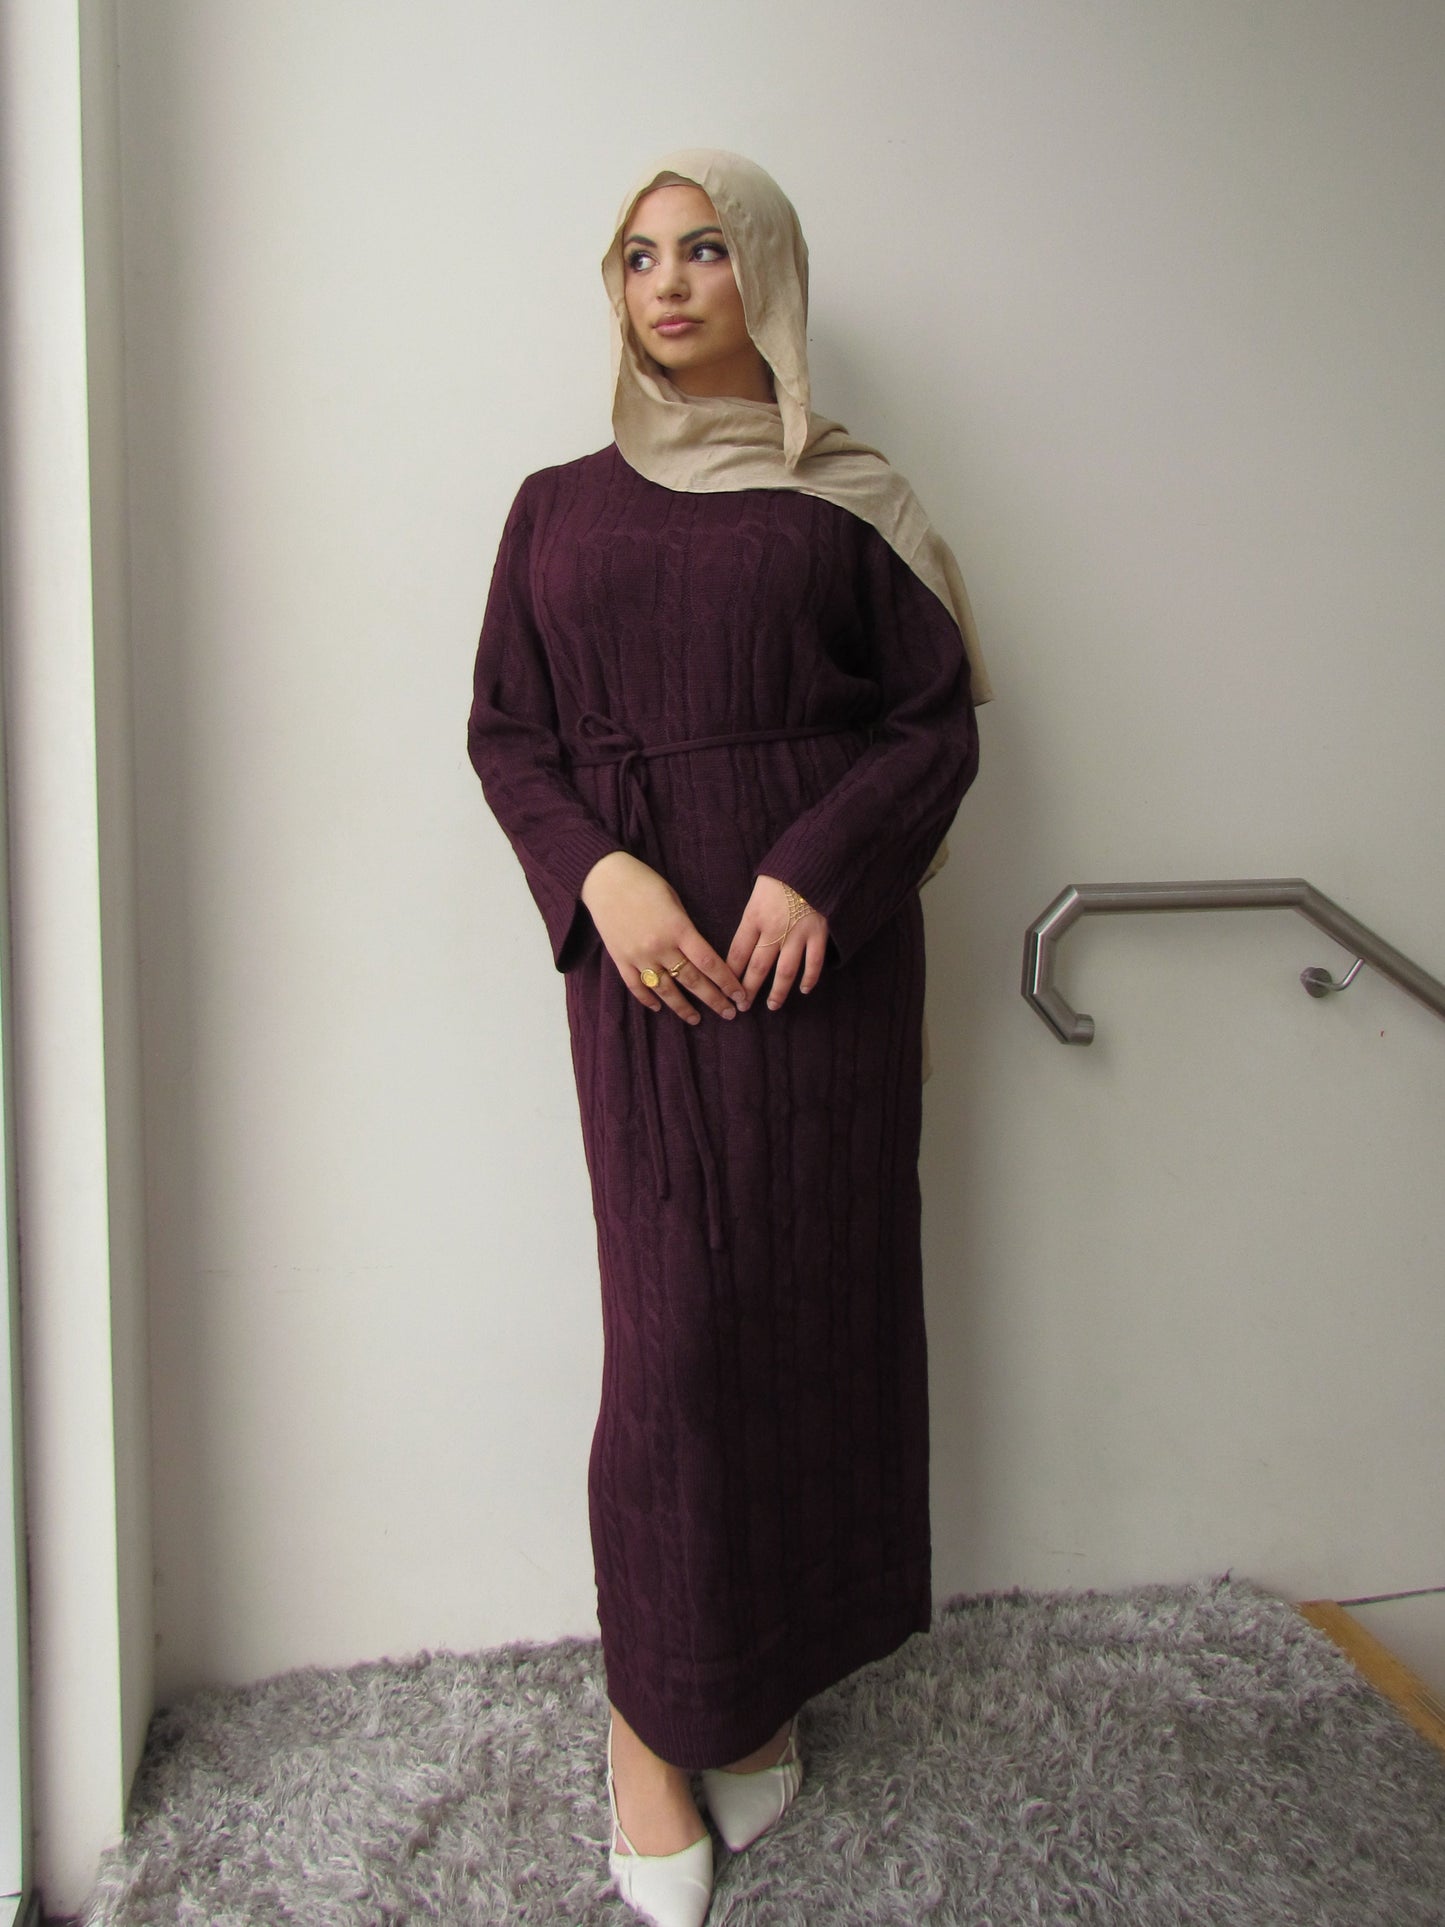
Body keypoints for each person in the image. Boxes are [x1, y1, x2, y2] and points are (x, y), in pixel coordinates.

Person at [468, 149, 991, 1927]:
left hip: (816, 974)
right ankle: (649, 1724)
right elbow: (506, 734)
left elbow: (931, 728)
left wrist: (817, 867)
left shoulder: (850, 497)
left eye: (704, 250)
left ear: (765, 274)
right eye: (638, 256)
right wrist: (599, 876)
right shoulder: (553, 510)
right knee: (678, 1343)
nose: (671, 283)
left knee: (809, 1325)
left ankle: (757, 1684)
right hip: (650, 980)